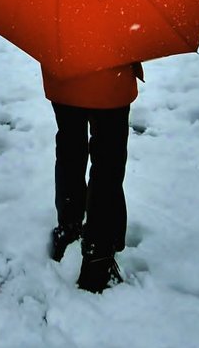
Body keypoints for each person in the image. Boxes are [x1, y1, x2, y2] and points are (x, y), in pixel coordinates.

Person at [43, 61, 144, 293]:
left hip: (63, 66)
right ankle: (97, 259)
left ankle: (68, 228)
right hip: (111, 71)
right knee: (108, 160)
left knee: (70, 145)